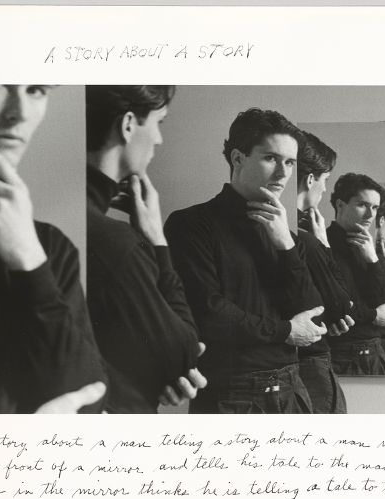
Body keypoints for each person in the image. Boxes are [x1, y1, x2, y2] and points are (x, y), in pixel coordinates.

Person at [165, 108, 324, 414]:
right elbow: (209, 312)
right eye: (271, 158)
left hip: (293, 389)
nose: (283, 173)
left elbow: (313, 314)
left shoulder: (287, 236)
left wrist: (286, 245)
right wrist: (285, 331)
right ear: (238, 158)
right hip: (232, 394)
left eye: (290, 162)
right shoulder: (190, 224)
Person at [0, 84, 105, 413]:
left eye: (37, 89)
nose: (21, 112)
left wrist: (28, 257)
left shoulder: (49, 247)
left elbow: (90, 401)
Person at [84, 85, 206, 413]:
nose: (159, 139)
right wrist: (157, 241)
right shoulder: (114, 242)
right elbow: (184, 353)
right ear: (128, 125)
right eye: (158, 123)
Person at [325, 173, 385, 375]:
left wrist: (372, 260)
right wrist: (373, 315)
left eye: (375, 208)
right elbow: (339, 305)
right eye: (362, 205)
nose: (370, 215)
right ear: (340, 205)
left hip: (375, 352)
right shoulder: (325, 244)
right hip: (342, 354)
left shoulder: (369, 248)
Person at [294, 130, 354, 413]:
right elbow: (342, 306)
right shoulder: (306, 240)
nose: (325, 189)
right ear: (310, 180)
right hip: (309, 364)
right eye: (325, 180)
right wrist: (324, 245)